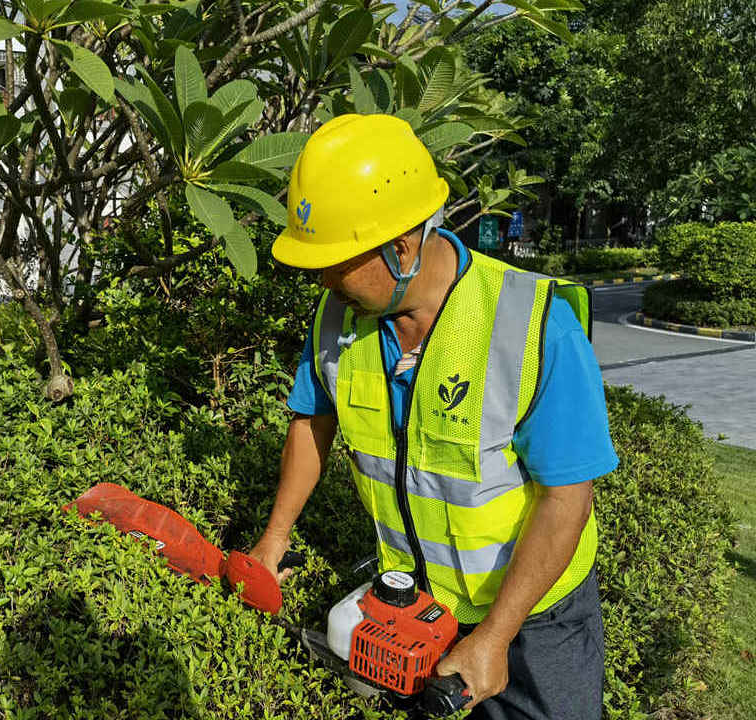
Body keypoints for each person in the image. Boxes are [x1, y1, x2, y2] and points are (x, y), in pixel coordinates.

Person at [248, 114, 618, 719]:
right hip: (416, 602)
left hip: (539, 614)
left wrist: (495, 638)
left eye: (336, 262)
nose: (320, 279)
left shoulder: (532, 325)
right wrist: (273, 540)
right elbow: (312, 420)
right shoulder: (336, 321)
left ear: (400, 248)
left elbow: (567, 499)